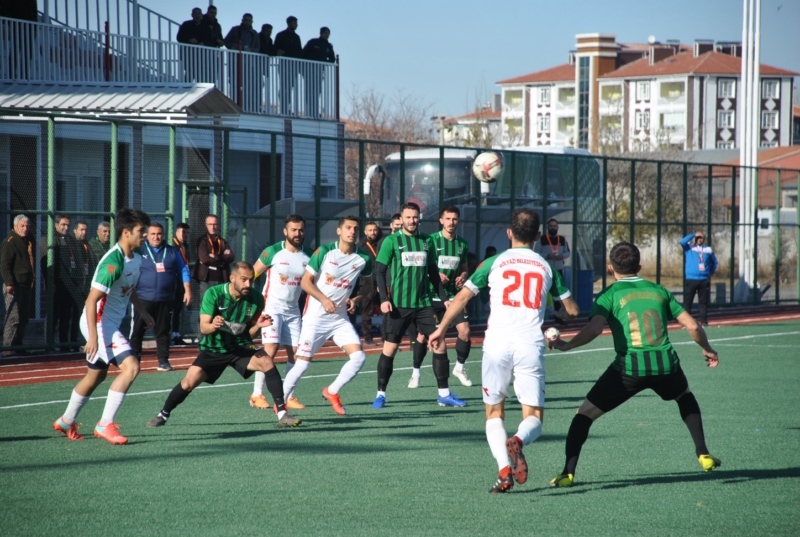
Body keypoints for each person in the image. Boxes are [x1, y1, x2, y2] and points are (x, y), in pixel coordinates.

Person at [548, 241, 721, 488]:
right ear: (639, 266)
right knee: (684, 396)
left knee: (584, 415)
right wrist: (708, 349)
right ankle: (703, 452)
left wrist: (566, 345)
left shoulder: (608, 295)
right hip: (666, 366)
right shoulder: (659, 290)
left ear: (610, 268)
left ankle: (567, 473)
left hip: (629, 369)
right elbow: (693, 326)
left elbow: (595, 328)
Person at [429, 208, 578, 493]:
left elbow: (462, 297)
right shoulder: (546, 266)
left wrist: (440, 329)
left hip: (496, 344)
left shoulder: (493, 262)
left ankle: (503, 471)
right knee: (533, 416)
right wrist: (557, 306)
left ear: (509, 233)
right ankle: (519, 441)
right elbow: (571, 310)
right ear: (538, 235)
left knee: (494, 413)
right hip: (529, 344)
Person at [146, 262, 301, 429]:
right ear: (232, 278)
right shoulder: (214, 293)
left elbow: (250, 333)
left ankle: (282, 413)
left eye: (251, 280)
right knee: (188, 383)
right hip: (214, 349)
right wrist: (214, 325)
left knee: (267, 361)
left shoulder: (256, 299)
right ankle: (164, 414)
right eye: (243, 280)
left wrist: (258, 326)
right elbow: (204, 328)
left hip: (239, 347)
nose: (248, 284)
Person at [53, 208, 155, 444]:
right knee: (131, 368)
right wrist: (92, 338)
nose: (146, 235)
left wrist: (142, 312)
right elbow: (90, 301)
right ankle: (105, 424)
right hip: (98, 322)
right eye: (142, 231)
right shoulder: (112, 262)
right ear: (126, 232)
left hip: (105, 324)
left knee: (95, 376)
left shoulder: (136, 259)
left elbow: (129, 290)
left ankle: (67, 420)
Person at [372, 202, 465, 408]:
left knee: (439, 343)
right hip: (398, 305)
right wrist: (384, 300)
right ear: (402, 218)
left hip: (424, 305)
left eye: (415, 217)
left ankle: (444, 394)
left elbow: (433, 273)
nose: (412, 221)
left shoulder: (426, 242)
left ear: (419, 218)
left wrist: (444, 299)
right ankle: (381, 394)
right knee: (390, 349)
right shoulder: (391, 241)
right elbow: (378, 272)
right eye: (408, 217)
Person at [281, 216, 373, 415]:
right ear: (339, 231)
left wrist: (355, 300)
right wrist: (323, 299)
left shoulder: (363, 259)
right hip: (315, 318)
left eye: (356, 228)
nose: (352, 231)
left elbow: (369, 285)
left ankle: (331, 391)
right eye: (348, 227)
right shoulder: (324, 252)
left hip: (339, 319)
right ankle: (281, 402)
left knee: (358, 357)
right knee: (302, 364)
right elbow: (306, 283)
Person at [248, 214, 313, 411]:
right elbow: (251, 275)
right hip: (272, 308)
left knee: (295, 353)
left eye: (300, 230)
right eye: (293, 230)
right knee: (271, 349)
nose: (297, 233)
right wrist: (251, 306)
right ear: (285, 231)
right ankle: (256, 394)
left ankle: (289, 396)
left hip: (293, 310)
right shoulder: (273, 252)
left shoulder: (309, 255)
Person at [409, 206, 472, 388]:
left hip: (453, 296)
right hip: (430, 295)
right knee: (422, 336)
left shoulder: (462, 244)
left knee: (465, 332)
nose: (451, 222)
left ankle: (459, 368)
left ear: (458, 221)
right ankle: (416, 373)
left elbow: (464, 267)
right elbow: (421, 266)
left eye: (454, 219)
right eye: (448, 219)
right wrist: (433, 276)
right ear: (441, 221)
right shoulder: (431, 241)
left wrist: (463, 276)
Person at [129, 223, 191, 372]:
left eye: (159, 234)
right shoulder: (139, 250)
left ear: (163, 235)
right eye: (153, 234)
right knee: (137, 331)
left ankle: (163, 361)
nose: (156, 237)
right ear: (147, 235)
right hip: (142, 299)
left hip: (165, 298)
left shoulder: (172, 251)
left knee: (163, 331)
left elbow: (183, 270)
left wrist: (188, 290)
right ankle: (134, 362)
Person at [1, 215, 35, 357]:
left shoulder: (27, 241)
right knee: (13, 317)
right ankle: (8, 347)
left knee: (23, 317)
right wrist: (9, 282)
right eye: (22, 226)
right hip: (15, 285)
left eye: (27, 226)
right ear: (15, 227)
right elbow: (5, 264)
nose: (25, 229)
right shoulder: (10, 242)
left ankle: (18, 344)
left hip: (26, 285)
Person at [534, 218, 570, 326]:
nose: (553, 228)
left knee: (558, 295)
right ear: (547, 227)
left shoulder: (562, 239)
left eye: (555, 226)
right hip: (544, 270)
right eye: (551, 226)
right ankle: (539, 319)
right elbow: (536, 253)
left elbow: (568, 252)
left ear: (557, 227)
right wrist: (548, 256)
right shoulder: (541, 239)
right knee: (542, 294)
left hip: (558, 270)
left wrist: (561, 256)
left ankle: (558, 319)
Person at [192, 215, 234, 300]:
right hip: (206, 279)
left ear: (218, 225)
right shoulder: (202, 241)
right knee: (206, 302)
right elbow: (204, 259)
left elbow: (231, 257)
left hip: (222, 278)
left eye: (215, 224)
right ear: (206, 225)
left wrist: (215, 256)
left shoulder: (223, 241)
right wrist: (223, 259)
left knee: (221, 304)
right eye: (210, 224)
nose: (213, 227)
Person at [64, 220, 91, 350]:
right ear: (75, 231)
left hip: (84, 286)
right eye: (81, 230)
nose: (84, 232)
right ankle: (64, 343)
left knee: (79, 315)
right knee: (66, 314)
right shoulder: (71, 244)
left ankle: (75, 342)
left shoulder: (87, 245)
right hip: (71, 285)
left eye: (86, 230)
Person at [681, 231, 717, 327]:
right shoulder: (689, 247)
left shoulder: (708, 249)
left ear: (704, 239)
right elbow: (682, 242)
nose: (699, 239)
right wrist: (693, 234)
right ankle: (685, 323)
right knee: (688, 302)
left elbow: (714, 262)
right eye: (698, 238)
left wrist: (710, 272)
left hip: (704, 280)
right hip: (691, 279)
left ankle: (704, 322)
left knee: (703, 302)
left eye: (701, 238)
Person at [302, 27, 335, 118]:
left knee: (317, 91)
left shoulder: (328, 46)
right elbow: (303, 53)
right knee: (309, 91)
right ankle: (308, 110)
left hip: (320, 72)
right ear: (321, 33)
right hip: (309, 70)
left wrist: (324, 63)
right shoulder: (313, 42)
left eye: (328, 33)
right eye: (325, 33)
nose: (326, 35)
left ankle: (314, 110)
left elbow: (332, 59)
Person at [358, 221, 382, 346]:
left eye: (375, 230)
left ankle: (386, 338)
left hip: (382, 283)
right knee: (367, 312)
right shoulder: (360, 246)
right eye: (370, 230)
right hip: (367, 284)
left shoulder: (382, 243)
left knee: (387, 312)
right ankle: (368, 338)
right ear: (365, 232)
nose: (373, 232)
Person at [274, 16, 302, 115]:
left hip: (293, 67)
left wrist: (300, 68)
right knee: (284, 86)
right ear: (289, 23)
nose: (296, 25)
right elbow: (275, 48)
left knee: (290, 87)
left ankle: (287, 106)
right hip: (284, 66)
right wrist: (279, 52)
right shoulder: (281, 35)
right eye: (295, 23)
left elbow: (299, 53)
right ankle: (283, 107)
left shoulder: (297, 37)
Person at [176, 7, 211, 82]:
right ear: (192, 15)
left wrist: (203, 43)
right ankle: (185, 91)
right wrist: (189, 40)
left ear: (202, 15)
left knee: (201, 77)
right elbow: (179, 37)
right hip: (189, 55)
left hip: (202, 57)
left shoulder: (206, 27)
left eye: (199, 13)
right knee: (189, 75)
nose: (197, 15)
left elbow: (210, 40)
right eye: (195, 13)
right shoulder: (186, 25)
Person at [171, 223, 191, 345]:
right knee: (171, 309)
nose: (185, 235)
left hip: (182, 281)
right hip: (173, 280)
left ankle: (176, 334)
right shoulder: (173, 246)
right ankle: (171, 334)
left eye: (187, 233)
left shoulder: (185, 246)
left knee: (178, 308)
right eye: (182, 232)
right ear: (176, 232)